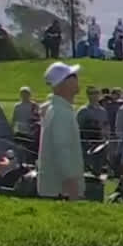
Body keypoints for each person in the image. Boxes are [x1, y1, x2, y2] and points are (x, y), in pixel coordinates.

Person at [36, 62, 84, 200]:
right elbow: (62, 150)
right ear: (63, 83)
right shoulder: (60, 112)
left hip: (58, 191)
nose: (77, 79)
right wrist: (72, 184)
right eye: (73, 76)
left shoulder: (58, 109)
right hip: (61, 192)